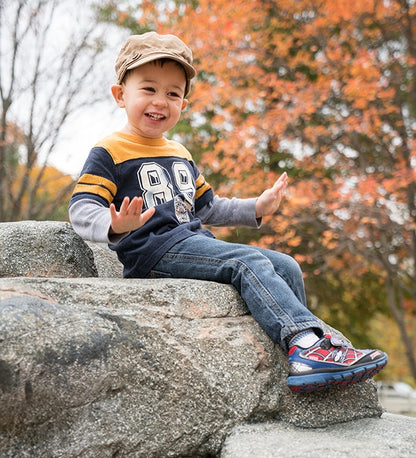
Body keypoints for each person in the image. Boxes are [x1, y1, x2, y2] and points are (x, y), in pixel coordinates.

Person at [69, 31, 388, 393]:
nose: (161, 101)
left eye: (173, 93)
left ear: (184, 104)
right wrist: (113, 225)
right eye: (149, 89)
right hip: (151, 250)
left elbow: (207, 206)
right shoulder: (109, 150)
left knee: (286, 265)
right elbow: (81, 208)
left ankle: (309, 356)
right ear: (120, 94)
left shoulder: (179, 152)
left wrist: (257, 206)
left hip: (190, 242)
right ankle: (307, 346)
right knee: (245, 262)